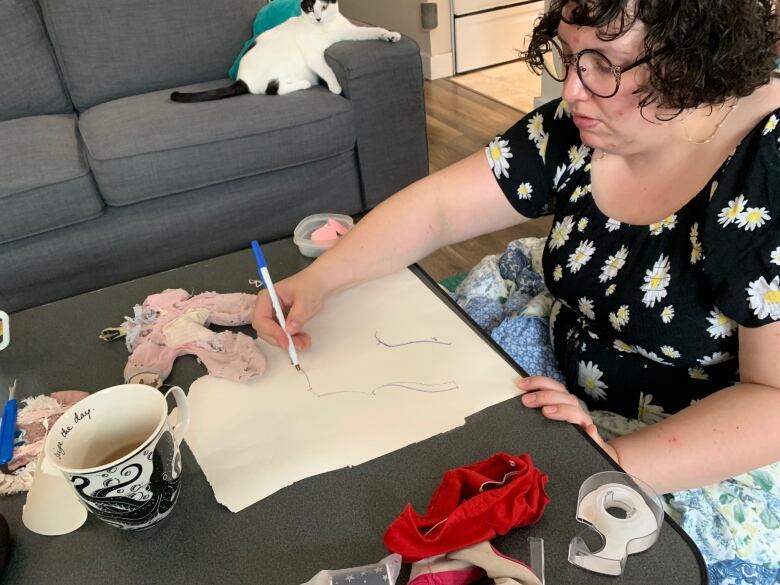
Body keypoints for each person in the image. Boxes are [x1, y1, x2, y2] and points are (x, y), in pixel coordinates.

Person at [254, 0, 779, 578]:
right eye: (569, 55)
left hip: (695, 445)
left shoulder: (765, 172)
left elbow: (772, 402)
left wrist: (608, 461)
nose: (572, 91)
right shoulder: (583, 125)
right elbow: (438, 209)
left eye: (605, 64)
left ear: (694, 60)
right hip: (567, 381)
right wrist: (320, 277)